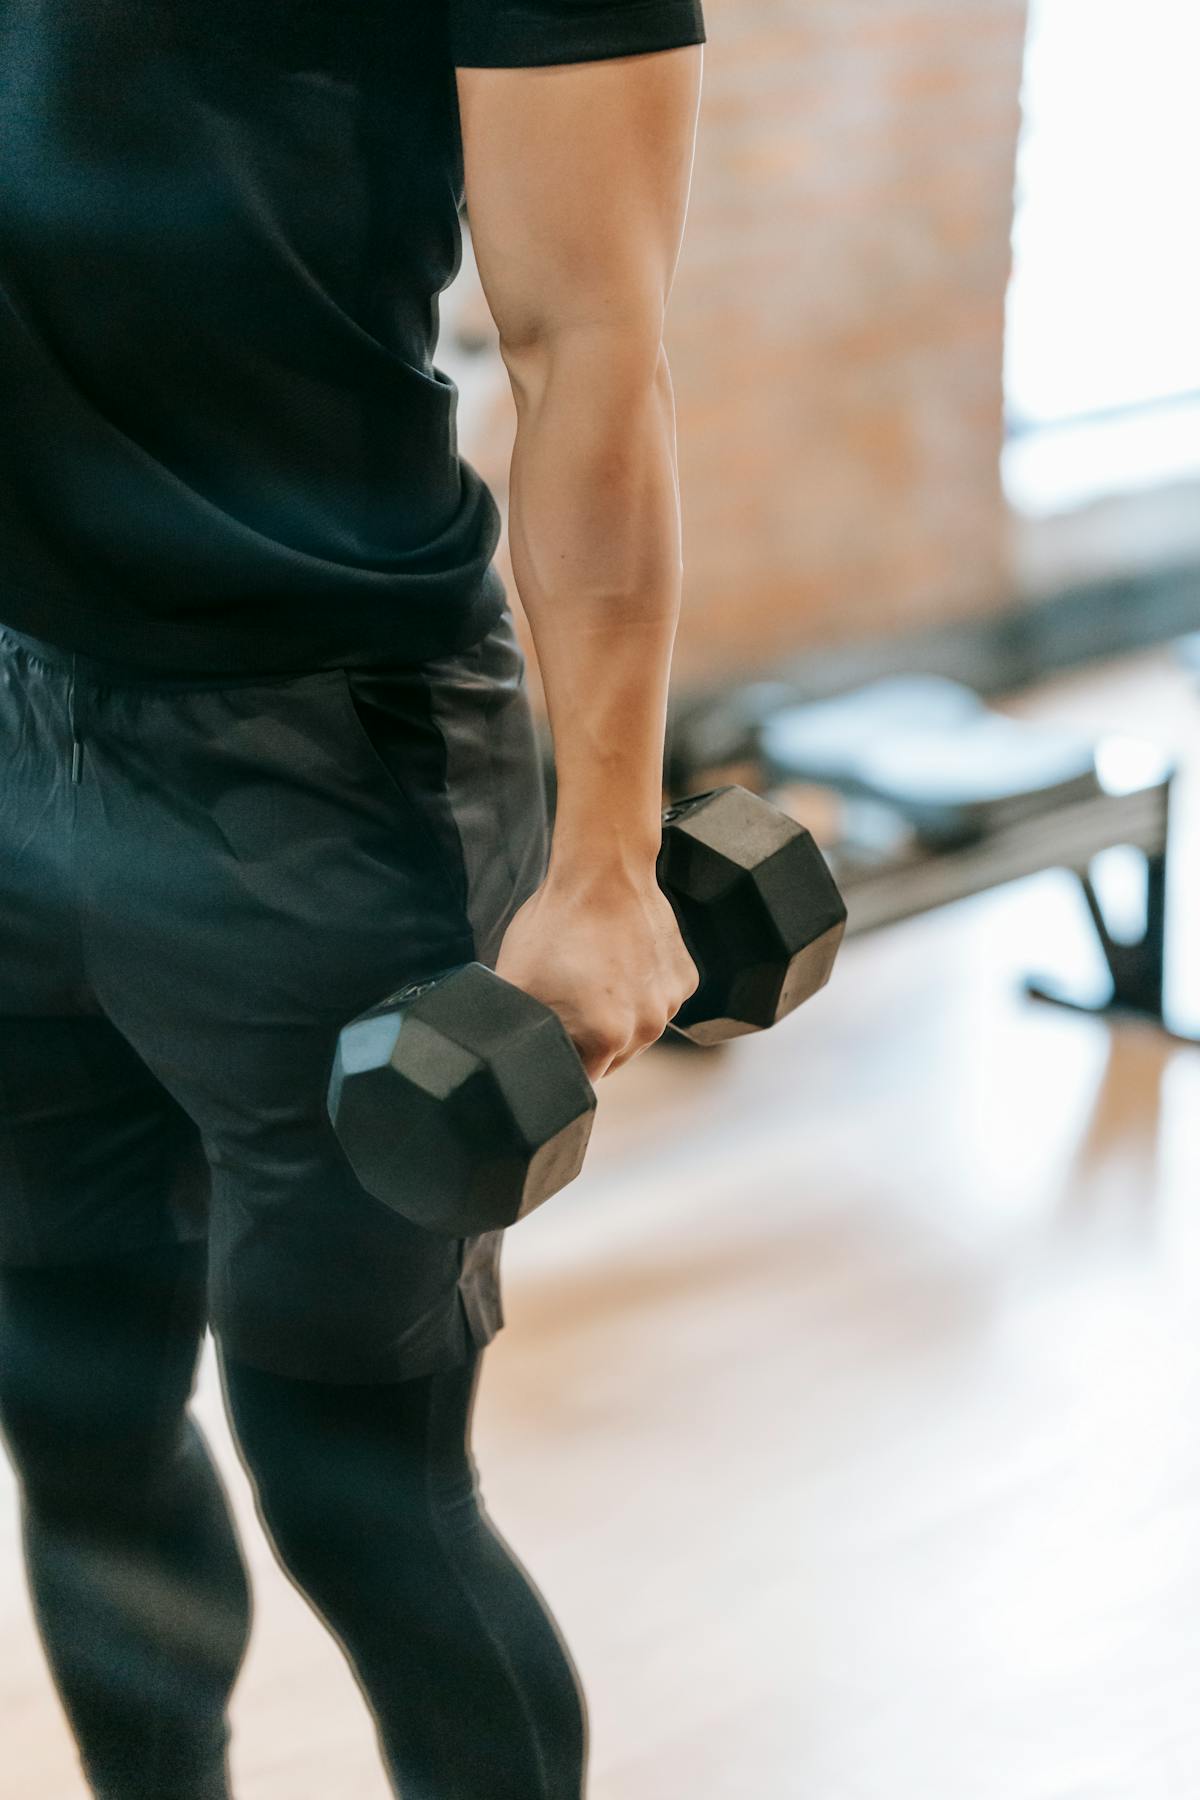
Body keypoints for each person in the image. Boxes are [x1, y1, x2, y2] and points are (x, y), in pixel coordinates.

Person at [0, 2, 706, 1795]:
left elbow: (588, 339)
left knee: (356, 1488)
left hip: (322, 768)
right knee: (76, 1415)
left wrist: (609, 858)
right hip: (8, 714)